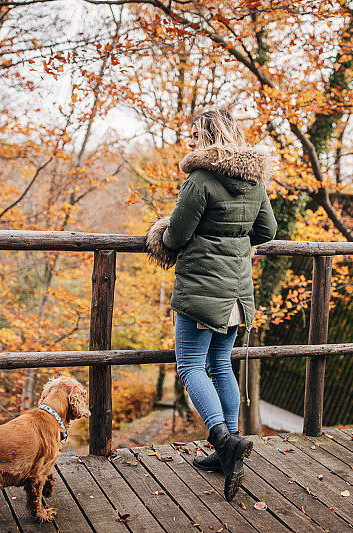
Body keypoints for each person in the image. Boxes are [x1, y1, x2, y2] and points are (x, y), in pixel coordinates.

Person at [145, 107, 277, 501]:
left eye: (194, 134)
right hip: (238, 291)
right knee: (220, 364)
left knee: (189, 366)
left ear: (208, 136)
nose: (189, 141)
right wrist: (232, 245)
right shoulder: (254, 181)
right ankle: (230, 446)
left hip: (202, 291)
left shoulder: (200, 180)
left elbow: (175, 237)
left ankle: (223, 442)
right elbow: (267, 230)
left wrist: (158, 231)